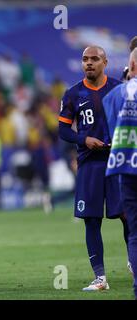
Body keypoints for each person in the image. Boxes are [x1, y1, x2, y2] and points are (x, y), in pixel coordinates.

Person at [58, 46, 128, 291]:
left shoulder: (120, 89)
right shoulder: (73, 93)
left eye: (94, 59)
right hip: (89, 163)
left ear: (105, 62)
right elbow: (63, 129)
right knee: (91, 220)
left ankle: (134, 263)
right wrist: (83, 139)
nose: (89, 63)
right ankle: (100, 278)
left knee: (128, 216)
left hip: (118, 162)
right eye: (85, 59)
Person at [104, 48, 137, 299]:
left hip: (126, 170)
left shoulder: (114, 94)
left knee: (135, 233)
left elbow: (113, 128)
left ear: (131, 65)